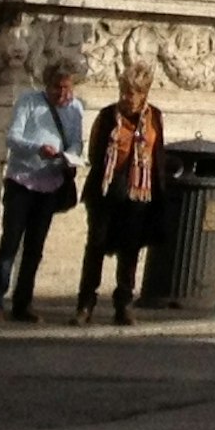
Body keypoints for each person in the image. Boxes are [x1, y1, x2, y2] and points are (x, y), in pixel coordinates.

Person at [0, 56, 87, 324]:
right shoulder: (29, 102)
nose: (62, 94)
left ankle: (23, 302)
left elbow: (76, 143)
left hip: (50, 183)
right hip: (22, 181)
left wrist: (68, 157)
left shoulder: (75, 110)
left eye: (67, 88)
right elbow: (13, 138)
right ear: (46, 85)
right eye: (57, 88)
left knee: (35, 248)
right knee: (10, 243)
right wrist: (37, 149)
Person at [72, 61, 164, 325]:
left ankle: (124, 303)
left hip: (138, 193)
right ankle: (85, 302)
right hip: (106, 190)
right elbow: (94, 153)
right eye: (123, 91)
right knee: (96, 246)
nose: (126, 98)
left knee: (130, 249)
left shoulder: (154, 118)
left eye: (132, 92)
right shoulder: (107, 115)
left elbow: (157, 153)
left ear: (143, 94)